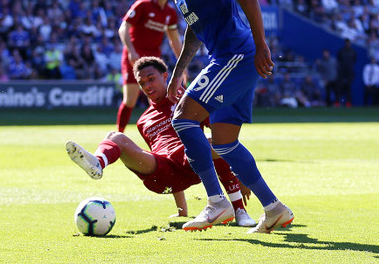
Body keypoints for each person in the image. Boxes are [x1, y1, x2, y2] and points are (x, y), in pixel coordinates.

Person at [134, 0, 294, 233]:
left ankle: (216, 202)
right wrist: (179, 70)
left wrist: (261, 45)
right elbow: (196, 31)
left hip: (236, 56)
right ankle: (274, 209)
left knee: (182, 118)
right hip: (230, 58)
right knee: (225, 143)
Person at [67, 56, 256, 227]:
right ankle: (97, 163)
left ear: (165, 75)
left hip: (192, 161)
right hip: (162, 173)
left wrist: (241, 173)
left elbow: (222, 136)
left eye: (151, 79)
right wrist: (182, 211)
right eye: (142, 83)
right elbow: (162, 153)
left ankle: (239, 210)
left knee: (210, 141)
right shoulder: (143, 121)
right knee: (115, 137)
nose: (147, 86)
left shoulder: (188, 99)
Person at [116, 0, 183, 132]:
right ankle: (118, 134)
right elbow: (123, 28)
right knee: (130, 100)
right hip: (134, 57)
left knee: (158, 100)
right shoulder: (143, 5)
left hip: (154, 60)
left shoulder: (170, 13)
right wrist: (132, 51)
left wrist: (182, 63)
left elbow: (174, 40)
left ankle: (162, 136)